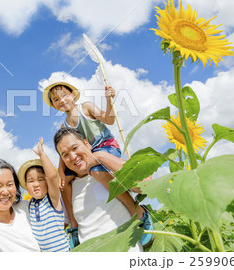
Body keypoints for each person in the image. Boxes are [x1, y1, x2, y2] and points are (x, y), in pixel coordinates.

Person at [43, 81, 154, 247]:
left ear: (73, 94)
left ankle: (136, 212)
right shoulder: (63, 125)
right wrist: (61, 173)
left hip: (106, 147)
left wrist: (109, 100)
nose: (62, 100)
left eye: (64, 95)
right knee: (66, 183)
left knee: (96, 171)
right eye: (56, 99)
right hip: (87, 154)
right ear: (54, 105)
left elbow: (109, 119)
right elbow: (63, 150)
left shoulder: (85, 108)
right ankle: (74, 226)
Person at [54, 127, 146, 250]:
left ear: (87, 143)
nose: (73, 156)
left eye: (75, 148)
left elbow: (144, 185)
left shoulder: (107, 169)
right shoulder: (69, 188)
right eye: (65, 155)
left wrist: (101, 156)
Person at [17, 138, 70, 251]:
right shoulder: (29, 205)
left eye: (41, 179)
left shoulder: (52, 199)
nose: (36, 184)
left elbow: (52, 177)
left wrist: (42, 154)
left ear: (47, 182)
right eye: (31, 181)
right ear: (26, 185)